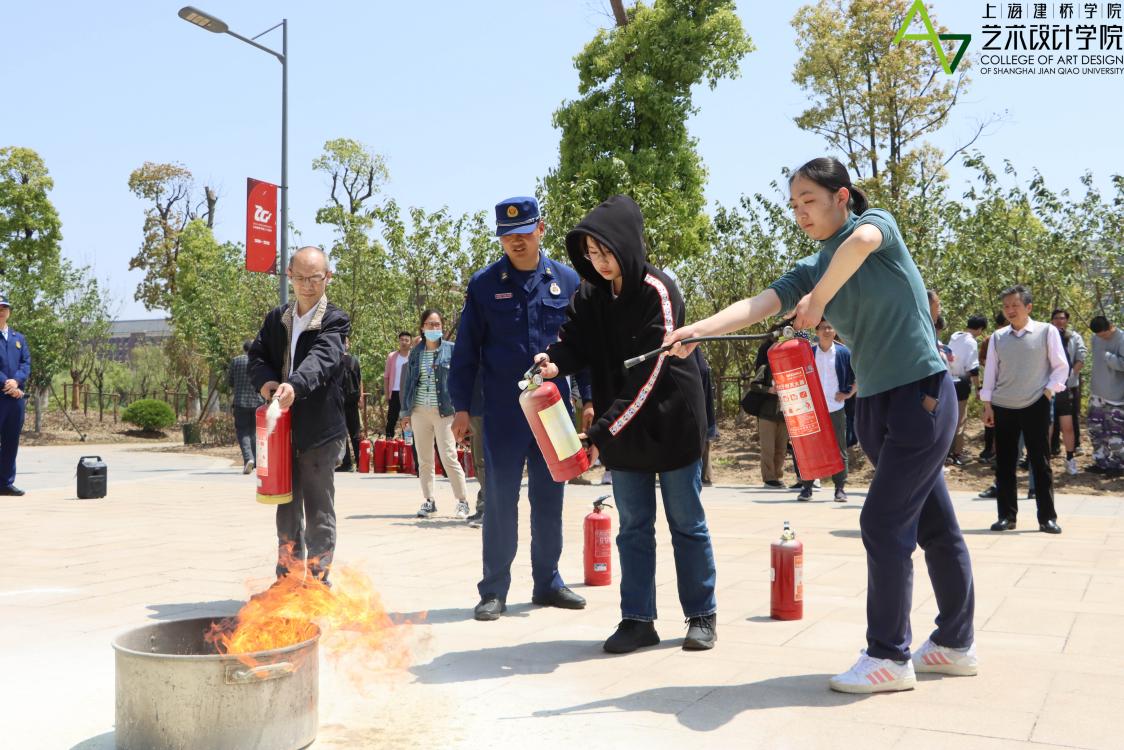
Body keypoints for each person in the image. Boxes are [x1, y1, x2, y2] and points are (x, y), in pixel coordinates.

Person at [666, 157, 977, 693]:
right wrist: (698, 330)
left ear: (842, 197)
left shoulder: (875, 226)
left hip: (921, 396)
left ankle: (889, 655)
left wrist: (820, 299)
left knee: (882, 522)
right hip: (875, 405)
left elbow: (860, 246)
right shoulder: (812, 266)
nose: (801, 212)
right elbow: (759, 303)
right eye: (794, 205)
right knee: (935, 525)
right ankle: (955, 644)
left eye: (809, 200)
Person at [535, 194, 718, 653]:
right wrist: (553, 362)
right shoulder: (590, 292)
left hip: (670, 421)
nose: (600, 262)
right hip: (622, 425)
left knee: (686, 522)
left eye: (606, 252)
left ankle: (701, 615)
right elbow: (574, 341)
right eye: (591, 254)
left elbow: (650, 375)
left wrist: (601, 432)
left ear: (628, 245)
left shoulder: (658, 291)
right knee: (633, 526)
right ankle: (637, 620)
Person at [449, 196, 587, 621]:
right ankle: (494, 590)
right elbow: (466, 351)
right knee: (500, 500)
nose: (517, 242)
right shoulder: (484, 284)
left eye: (524, 232)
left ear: (541, 229)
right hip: (503, 413)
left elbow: (584, 346)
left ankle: (548, 582)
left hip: (554, 413)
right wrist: (460, 408)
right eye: (508, 236)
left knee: (550, 498)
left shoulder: (567, 280)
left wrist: (590, 398)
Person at [248, 246, 350, 584]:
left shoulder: (335, 320)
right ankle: (287, 579)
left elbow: (322, 357)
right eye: (301, 278)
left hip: (320, 430)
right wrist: (267, 383)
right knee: (286, 506)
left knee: (319, 509)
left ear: (328, 277)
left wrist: (294, 385)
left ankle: (318, 579)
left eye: (315, 278)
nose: (308, 285)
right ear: (289, 275)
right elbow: (258, 356)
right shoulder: (277, 318)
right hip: (282, 430)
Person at [979, 285, 1068, 534]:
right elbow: (991, 372)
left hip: (1035, 403)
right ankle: (1006, 517)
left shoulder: (1046, 331)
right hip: (1003, 405)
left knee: (1040, 462)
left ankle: (1047, 518)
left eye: (1015, 305)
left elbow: (1061, 367)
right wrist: (987, 405)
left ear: (1028, 307)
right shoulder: (998, 337)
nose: (1010, 310)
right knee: (1004, 463)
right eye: (1006, 306)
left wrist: (1048, 392)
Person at [400, 309, 471, 519]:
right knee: (424, 459)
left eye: (437, 324)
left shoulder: (451, 350)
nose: (434, 328)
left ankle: (462, 501)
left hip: (445, 411)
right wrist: (405, 413)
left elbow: (461, 379)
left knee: (449, 456)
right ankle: (429, 501)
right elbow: (409, 384)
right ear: (422, 328)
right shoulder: (416, 352)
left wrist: (463, 407)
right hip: (419, 411)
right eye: (430, 324)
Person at [796, 318, 855, 502]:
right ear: (817, 331)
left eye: (830, 327)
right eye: (823, 328)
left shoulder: (844, 353)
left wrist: (848, 393)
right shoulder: (809, 353)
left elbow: (858, 375)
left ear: (835, 331)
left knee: (839, 449)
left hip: (836, 407)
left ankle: (840, 488)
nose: (827, 331)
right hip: (812, 409)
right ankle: (807, 487)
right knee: (811, 449)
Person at [0, 294, 30, 496]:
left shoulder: (19, 338)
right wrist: (6, 383)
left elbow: (26, 363)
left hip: (16, 397)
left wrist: (16, 382)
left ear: (9, 312)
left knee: (11, 442)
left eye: (4, 308)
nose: (1, 311)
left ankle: (5, 483)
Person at [1049, 309, 1086, 474]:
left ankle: (1072, 454)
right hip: (1049, 387)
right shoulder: (1047, 336)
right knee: (1048, 424)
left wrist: (1069, 375)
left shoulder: (1074, 337)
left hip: (1069, 386)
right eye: (1056, 318)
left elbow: (1080, 358)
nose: (1059, 321)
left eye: (1062, 318)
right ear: (1052, 320)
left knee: (1070, 422)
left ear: (1067, 320)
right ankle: (1047, 454)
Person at [946, 316, 986, 465]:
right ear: (980, 329)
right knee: (961, 419)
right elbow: (973, 369)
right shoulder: (971, 342)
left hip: (948, 380)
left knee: (950, 417)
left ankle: (947, 452)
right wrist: (978, 388)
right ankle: (957, 453)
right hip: (962, 382)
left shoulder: (955, 337)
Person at [1087, 315, 1124, 476]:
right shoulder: (1095, 338)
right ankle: (1100, 461)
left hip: (1115, 395)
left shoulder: (1121, 338)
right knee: (1096, 430)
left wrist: (1110, 358)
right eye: (1098, 335)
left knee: (1116, 432)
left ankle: (1118, 465)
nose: (1101, 337)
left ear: (1110, 327)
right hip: (1096, 392)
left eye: (1104, 334)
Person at [752, 338, 787, 488]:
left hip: (784, 415)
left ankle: (777, 476)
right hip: (766, 414)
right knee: (768, 449)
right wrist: (769, 390)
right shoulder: (765, 367)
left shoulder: (790, 367)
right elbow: (754, 385)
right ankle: (768, 478)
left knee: (781, 449)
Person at [228, 340, 265, 474]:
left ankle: (249, 458)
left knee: (243, 431)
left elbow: (230, 381)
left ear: (244, 349)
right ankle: (256, 461)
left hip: (240, 402)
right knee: (255, 431)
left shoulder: (236, 361)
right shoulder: (259, 361)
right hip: (257, 402)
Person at [336, 337, 363, 472]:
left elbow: (359, 380)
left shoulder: (350, 360)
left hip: (346, 401)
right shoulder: (341, 360)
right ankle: (353, 463)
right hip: (345, 400)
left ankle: (354, 463)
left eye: (345, 342)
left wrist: (360, 397)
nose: (344, 344)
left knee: (349, 433)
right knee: (348, 432)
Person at [384, 332, 412, 439]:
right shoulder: (392, 356)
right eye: (402, 340)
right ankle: (388, 441)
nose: (404, 342)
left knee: (407, 419)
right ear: (399, 341)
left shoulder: (413, 357)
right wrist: (387, 394)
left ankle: (408, 442)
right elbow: (386, 376)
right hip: (395, 392)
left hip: (408, 393)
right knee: (391, 418)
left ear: (410, 343)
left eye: (406, 340)